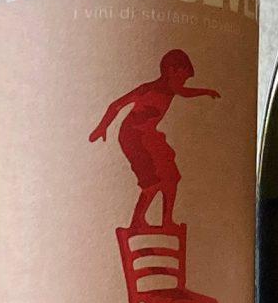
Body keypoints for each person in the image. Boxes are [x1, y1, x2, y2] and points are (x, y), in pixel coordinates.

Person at [91, 48, 219, 229]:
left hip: (148, 135)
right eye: (182, 78)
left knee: (171, 177)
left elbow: (184, 92)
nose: (183, 83)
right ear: (171, 71)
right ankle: (137, 221)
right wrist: (101, 127)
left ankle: (166, 221)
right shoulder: (147, 89)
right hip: (133, 136)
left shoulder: (170, 90)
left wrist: (204, 91)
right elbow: (116, 105)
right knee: (152, 181)